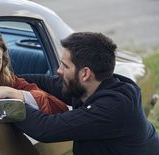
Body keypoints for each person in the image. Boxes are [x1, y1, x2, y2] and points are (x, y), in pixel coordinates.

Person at [13, 32, 159, 155]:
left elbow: (45, 129)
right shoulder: (88, 88)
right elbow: (47, 82)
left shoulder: (114, 106)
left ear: (85, 74)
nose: (59, 70)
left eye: (65, 66)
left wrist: (9, 102)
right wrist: (8, 80)